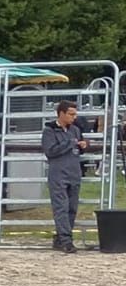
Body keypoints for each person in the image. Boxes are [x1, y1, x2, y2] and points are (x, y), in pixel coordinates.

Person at [41, 99, 87, 253]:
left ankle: (61, 238)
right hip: (58, 174)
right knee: (61, 207)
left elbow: (77, 150)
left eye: (75, 114)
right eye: (71, 114)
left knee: (72, 208)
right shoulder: (49, 130)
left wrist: (82, 146)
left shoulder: (75, 130)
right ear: (61, 113)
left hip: (74, 173)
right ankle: (66, 239)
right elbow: (50, 151)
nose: (74, 117)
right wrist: (70, 143)